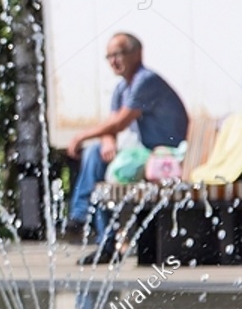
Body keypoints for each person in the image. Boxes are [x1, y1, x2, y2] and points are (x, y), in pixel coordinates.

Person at [66, 33, 188, 265]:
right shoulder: (122, 88)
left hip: (164, 156)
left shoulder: (146, 81)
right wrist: (107, 140)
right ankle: (102, 238)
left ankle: (84, 218)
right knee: (96, 156)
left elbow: (120, 122)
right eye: (109, 56)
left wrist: (82, 135)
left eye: (118, 54)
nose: (113, 61)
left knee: (103, 168)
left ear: (137, 53)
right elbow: (111, 126)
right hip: (142, 155)